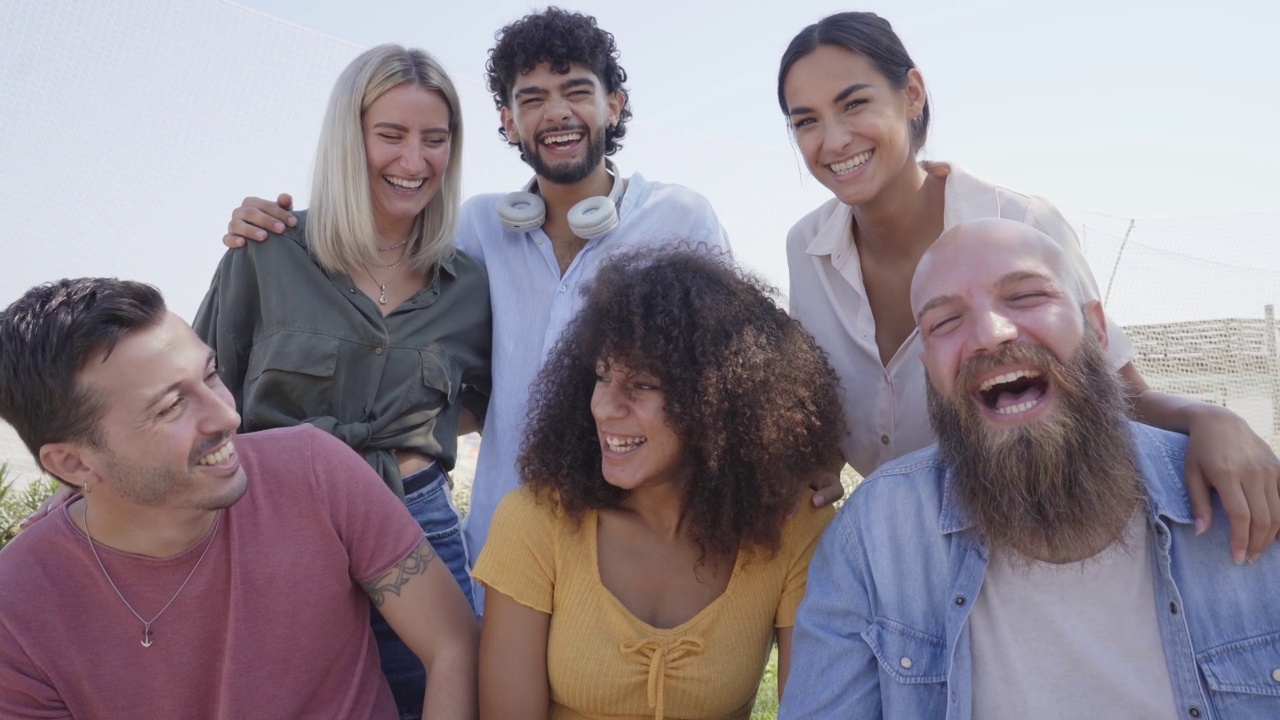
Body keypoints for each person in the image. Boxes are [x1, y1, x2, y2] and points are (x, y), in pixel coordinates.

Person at [220, 11, 842, 603]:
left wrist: (801, 455)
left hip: (629, 556)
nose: (557, 112)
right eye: (533, 98)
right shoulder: (475, 231)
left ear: (614, 105)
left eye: (576, 90)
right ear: (508, 121)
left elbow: (736, 377)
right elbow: (409, 331)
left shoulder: (679, 217)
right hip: (498, 555)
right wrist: (282, 228)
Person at [777, 11, 1280, 561]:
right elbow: (825, 407)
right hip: (900, 547)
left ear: (912, 94)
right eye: (806, 121)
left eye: (854, 104)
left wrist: (1209, 417)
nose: (833, 139)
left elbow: (1120, 394)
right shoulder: (806, 250)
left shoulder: (1021, 223)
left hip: (1027, 541)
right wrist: (814, 463)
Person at [779, 219, 1280, 719]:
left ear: (1098, 330)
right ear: (929, 368)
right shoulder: (874, 538)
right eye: (946, 322)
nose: (991, 335)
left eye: (1025, 296)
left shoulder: (1245, 500)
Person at [0, 278, 478, 719]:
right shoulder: (19, 605)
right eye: (171, 407)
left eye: (210, 375)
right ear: (74, 465)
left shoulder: (314, 470)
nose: (227, 416)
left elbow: (453, 643)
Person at [194, 44, 489, 719]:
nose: (413, 162)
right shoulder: (266, 251)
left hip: (418, 527)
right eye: (390, 135)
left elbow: (483, 403)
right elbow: (200, 397)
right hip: (276, 526)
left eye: (434, 140)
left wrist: (413, 435)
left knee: (434, 697)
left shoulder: (469, 285)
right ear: (347, 138)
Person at [472, 248, 844, 719]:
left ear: (718, 399)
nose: (605, 407)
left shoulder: (790, 526)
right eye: (602, 376)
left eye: (643, 385)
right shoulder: (535, 520)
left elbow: (809, 709)